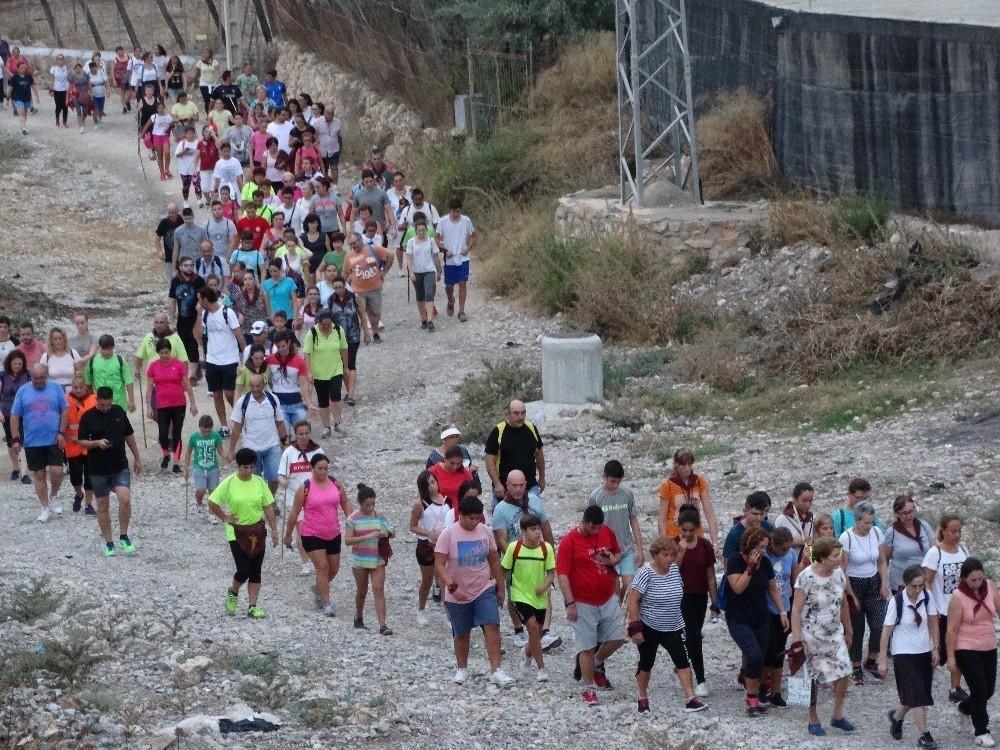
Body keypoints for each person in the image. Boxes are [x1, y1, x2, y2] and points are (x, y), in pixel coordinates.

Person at [434, 494, 514, 687]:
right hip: (457, 593)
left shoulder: (485, 532)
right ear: (461, 515)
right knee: (461, 633)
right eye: (471, 518)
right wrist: (451, 586)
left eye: (478, 518)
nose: (474, 522)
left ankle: (496, 669)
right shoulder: (449, 534)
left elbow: (494, 560)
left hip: (483, 589)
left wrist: (501, 588)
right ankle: (462, 668)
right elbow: (439, 564)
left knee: (492, 625)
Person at [627, 536, 707, 714]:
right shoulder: (645, 573)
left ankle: (690, 698)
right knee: (646, 663)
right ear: (655, 555)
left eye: (672, 555)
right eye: (665, 555)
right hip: (650, 626)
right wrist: (635, 628)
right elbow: (633, 601)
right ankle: (642, 697)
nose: (669, 559)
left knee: (683, 661)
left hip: (674, 625)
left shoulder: (674, 570)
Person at [557, 505, 626, 705]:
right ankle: (588, 688)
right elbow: (562, 574)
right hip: (582, 601)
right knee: (586, 645)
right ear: (585, 522)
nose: (597, 531)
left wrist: (610, 560)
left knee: (619, 636)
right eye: (593, 528)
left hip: (606, 596)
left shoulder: (606, 532)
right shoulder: (570, 541)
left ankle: (596, 663)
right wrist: (570, 603)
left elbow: (617, 556)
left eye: (599, 527)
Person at [791, 536, 856, 737]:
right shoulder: (806, 577)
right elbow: (796, 610)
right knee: (813, 678)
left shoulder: (838, 574)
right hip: (811, 635)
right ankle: (813, 717)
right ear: (821, 557)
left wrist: (849, 628)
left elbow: (843, 602)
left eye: (839, 554)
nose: (839, 559)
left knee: (844, 671)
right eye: (834, 556)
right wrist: (796, 639)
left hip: (834, 633)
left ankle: (837, 715)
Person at [492, 470, 560, 652]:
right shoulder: (500, 510)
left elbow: (545, 526)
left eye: (521, 485)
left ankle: (544, 632)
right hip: (515, 560)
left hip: (538, 556)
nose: (518, 489)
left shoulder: (534, 501)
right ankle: (518, 631)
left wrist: (549, 550)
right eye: (514, 485)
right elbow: (501, 540)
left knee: (544, 591)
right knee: (515, 594)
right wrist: (517, 556)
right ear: (507, 485)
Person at [725, 526, 788, 716]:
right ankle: (751, 697)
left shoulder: (766, 563)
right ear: (750, 546)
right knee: (754, 655)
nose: (763, 551)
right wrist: (750, 568)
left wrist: (783, 612)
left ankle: (754, 695)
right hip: (739, 617)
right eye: (760, 547)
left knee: (761, 657)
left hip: (761, 616)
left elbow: (773, 589)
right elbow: (737, 588)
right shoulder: (736, 561)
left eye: (765, 547)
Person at [209, 447, 278, 618]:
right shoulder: (229, 482)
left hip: (257, 530)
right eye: (245, 467)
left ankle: (252, 606)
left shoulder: (259, 482)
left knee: (256, 570)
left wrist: (274, 529)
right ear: (238, 466)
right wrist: (225, 516)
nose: (248, 471)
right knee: (243, 569)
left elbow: (268, 506)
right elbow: (212, 502)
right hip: (237, 531)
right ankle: (233, 591)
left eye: (251, 467)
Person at [878, 564, 939, 750]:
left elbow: (933, 623)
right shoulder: (896, 602)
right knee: (918, 694)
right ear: (906, 584)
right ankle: (924, 736)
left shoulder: (927, 597)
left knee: (915, 694)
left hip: (923, 651)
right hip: (903, 653)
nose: (918, 589)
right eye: (915, 586)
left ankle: (896, 717)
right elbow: (886, 632)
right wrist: (882, 660)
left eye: (921, 585)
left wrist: (936, 648)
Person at [77, 386, 142, 556]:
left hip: (119, 465)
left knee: (125, 499)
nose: (106, 408)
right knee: (103, 504)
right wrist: (96, 443)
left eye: (108, 404)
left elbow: (129, 436)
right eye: (103, 405)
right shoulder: (88, 417)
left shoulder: (119, 411)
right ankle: (109, 542)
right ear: (97, 400)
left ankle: (124, 535)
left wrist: (137, 457)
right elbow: (81, 442)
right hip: (97, 468)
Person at [284, 453, 351, 616]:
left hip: (333, 532)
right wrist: (288, 535)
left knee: (334, 569)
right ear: (312, 469)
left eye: (325, 468)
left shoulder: (335, 483)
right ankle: (326, 604)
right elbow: (294, 513)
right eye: (319, 469)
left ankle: (320, 588)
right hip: (312, 534)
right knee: (322, 567)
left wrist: (351, 520)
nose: (323, 472)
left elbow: (346, 502)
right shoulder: (305, 487)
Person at [945, 558, 1000, 748]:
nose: (977, 584)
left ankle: (964, 707)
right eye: (972, 580)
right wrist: (951, 657)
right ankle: (981, 731)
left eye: (980, 579)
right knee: (979, 689)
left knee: (989, 689)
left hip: (988, 645)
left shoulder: (990, 587)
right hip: (966, 647)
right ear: (963, 579)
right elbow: (951, 630)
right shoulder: (958, 597)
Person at [500, 513, 556, 682]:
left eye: (538, 529)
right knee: (531, 627)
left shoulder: (546, 548)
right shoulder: (513, 548)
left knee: (537, 633)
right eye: (533, 529)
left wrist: (544, 586)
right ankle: (541, 669)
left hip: (539, 598)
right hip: (519, 594)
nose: (537, 532)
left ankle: (527, 654)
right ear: (524, 531)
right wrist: (497, 588)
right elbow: (504, 570)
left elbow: (551, 573)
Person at [839, 500, 889, 685]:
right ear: (857, 520)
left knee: (879, 624)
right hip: (854, 582)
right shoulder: (846, 538)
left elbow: (882, 561)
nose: (869, 526)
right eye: (865, 522)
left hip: (874, 581)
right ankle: (855, 665)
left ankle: (872, 658)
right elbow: (842, 570)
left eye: (871, 522)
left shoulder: (876, 533)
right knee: (856, 627)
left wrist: (884, 583)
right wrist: (850, 594)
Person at [922, 514, 970, 703]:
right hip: (941, 610)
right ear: (943, 531)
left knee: (959, 650)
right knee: (936, 652)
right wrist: (931, 609)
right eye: (953, 531)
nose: (957, 535)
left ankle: (955, 687)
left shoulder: (964, 551)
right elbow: (927, 582)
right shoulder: (935, 553)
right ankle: (923, 686)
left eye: (959, 531)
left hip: (961, 609)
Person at [10, 364, 68, 521]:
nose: (39, 381)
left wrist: (62, 433)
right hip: (32, 440)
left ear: (47, 375)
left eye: (42, 378)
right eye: (36, 378)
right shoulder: (23, 391)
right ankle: (44, 507)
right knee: (39, 474)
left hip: (53, 438)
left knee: (57, 471)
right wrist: (15, 438)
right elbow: (15, 415)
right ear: (31, 376)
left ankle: (54, 495)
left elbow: (64, 410)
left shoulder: (56, 388)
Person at [674, 503, 718, 696]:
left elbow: (710, 575)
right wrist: (681, 552)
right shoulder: (673, 545)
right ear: (679, 528)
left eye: (692, 530)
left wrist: (715, 601)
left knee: (693, 634)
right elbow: (671, 572)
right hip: (680, 597)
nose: (688, 534)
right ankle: (700, 679)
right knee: (694, 636)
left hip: (700, 596)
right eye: (685, 530)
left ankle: (682, 665)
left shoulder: (705, 546)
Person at [588, 459, 644, 599]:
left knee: (630, 585)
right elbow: (591, 526)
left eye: (618, 482)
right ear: (604, 477)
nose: (615, 485)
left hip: (625, 548)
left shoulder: (627, 494)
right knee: (613, 589)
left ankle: (619, 610)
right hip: (606, 551)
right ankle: (614, 615)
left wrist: (640, 548)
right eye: (612, 481)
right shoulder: (595, 497)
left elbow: (633, 519)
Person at [344, 484, 394, 634]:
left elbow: (392, 531)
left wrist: (387, 533)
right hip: (360, 560)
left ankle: (383, 625)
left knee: (378, 589)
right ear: (360, 503)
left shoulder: (380, 516)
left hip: (377, 558)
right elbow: (347, 540)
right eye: (367, 505)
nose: (371, 508)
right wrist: (365, 537)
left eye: (373, 504)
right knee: (362, 591)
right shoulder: (353, 519)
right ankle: (358, 616)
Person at [196, 287, 246, 434]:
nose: (198, 302)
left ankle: (241, 419)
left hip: (230, 359)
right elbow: (199, 336)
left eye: (200, 299)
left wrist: (246, 356)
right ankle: (224, 426)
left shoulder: (227, 312)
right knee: (216, 394)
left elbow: (239, 335)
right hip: (212, 360)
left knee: (230, 394)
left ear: (205, 299)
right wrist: (199, 315)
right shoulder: (205, 314)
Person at [277, 419, 325, 571]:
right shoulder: (289, 452)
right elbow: (280, 474)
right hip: (295, 496)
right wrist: (283, 481)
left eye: (306, 433)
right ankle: (306, 563)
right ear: (296, 435)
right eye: (300, 434)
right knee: (301, 529)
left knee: (316, 529)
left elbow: (324, 471)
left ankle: (317, 558)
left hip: (315, 496)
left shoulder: (317, 451)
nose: (304, 437)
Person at [229, 373, 286, 494]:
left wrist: (284, 443)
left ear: (264, 385)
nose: (254, 389)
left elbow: (280, 423)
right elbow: (237, 428)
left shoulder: (273, 399)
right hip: (251, 447)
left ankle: (270, 499)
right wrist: (231, 449)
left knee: (274, 478)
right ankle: (260, 501)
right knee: (253, 479)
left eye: (257, 386)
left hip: (272, 445)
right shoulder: (242, 402)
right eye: (252, 386)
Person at [146, 338, 197, 472]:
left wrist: (193, 402)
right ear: (158, 353)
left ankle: (176, 463)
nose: (164, 355)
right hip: (162, 404)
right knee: (163, 433)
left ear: (170, 351)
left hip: (179, 403)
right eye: (162, 353)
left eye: (166, 352)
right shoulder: (153, 366)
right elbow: (150, 388)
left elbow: (186, 383)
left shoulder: (179, 365)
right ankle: (166, 454)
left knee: (176, 432)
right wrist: (148, 406)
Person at [762, 527, 799, 706]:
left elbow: (795, 578)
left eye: (788, 548)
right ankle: (762, 686)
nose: (786, 552)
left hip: (785, 607)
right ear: (773, 544)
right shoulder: (765, 556)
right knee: (769, 650)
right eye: (783, 548)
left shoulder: (791, 554)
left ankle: (775, 691)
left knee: (779, 651)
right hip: (768, 609)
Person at [484, 399, 544, 508]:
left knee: (533, 519)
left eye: (523, 413)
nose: (520, 417)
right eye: (516, 413)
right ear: (508, 414)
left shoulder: (531, 428)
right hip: (505, 490)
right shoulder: (498, 431)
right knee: (502, 522)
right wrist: (497, 484)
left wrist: (542, 478)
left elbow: (539, 455)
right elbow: (489, 461)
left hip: (529, 486)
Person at [409, 470, 451, 624]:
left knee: (444, 579)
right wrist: (428, 533)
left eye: (433, 482)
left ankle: (448, 613)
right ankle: (421, 609)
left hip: (443, 544)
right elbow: (412, 526)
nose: (432, 487)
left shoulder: (447, 499)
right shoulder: (419, 504)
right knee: (426, 580)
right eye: (428, 485)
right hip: (426, 546)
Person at [302, 310, 348, 438]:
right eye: (324, 325)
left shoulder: (338, 330)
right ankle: (326, 427)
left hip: (336, 369)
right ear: (319, 322)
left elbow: (344, 348)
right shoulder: (313, 333)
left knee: (336, 394)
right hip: (319, 372)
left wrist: (346, 367)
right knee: (322, 400)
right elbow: (307, 353)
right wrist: (309, 372)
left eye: (329, 324)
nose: (326, 327)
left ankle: (338, 423)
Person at [658, 449, 719, 545]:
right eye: (683, 465)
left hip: (696, 535)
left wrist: (714, 542)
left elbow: (710, 514)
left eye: (689, 464)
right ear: (676, 465)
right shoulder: (668, 485)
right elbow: (662, 519)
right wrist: (664, 545)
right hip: (674, 536)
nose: (687, 468)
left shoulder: (699, 482)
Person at [342, 232, 392, 343]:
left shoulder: (373, 249)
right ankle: (364, 335)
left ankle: (375, 333)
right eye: (351, 244)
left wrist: (384, 271)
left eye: (355, 242)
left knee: (375, 312)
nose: (353, 246)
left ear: (360, 239)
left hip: (375, 288)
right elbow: (345, 273)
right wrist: (343, 288)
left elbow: (390, 256)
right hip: (358, 290)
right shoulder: (348, 256)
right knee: (360, 313)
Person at [435, 197, 476, 321]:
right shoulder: (443, 222)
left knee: (463, 283)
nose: (456, 214)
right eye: (454, 211)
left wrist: (468, 248)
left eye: (458, 211)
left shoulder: (466, 221)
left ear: (461, 210)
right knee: (449, 286)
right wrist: (445, 250)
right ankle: (451, 300)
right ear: (450, 210)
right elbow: (436, 239)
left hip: (463, 258)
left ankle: (461, 311)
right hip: (450, 259)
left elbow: (474, 236)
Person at [882, 494, 934, 593]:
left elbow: (934, 552)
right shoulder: (891, 532)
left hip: (923, 582)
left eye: (911, 511)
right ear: (897, 514)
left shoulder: (924, 526)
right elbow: (884, 560)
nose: (909, 516)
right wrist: (884, 584)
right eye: (904, 513)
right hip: (901, 584)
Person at [169, 256, 206, 382]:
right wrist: (172, 320)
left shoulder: (199, 280)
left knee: (193, 345)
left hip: (195, 319)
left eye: (191, 265)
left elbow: (204, 297)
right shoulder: (176, 281)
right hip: (182, 318)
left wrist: (199, 304)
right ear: (180, 267)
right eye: (186, 265)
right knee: (183, 346)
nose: (189, 268)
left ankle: (192, 375)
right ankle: (186, 373)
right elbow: (172, 301)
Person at [64, 375, 95, 514]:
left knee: (90, 476)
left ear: (86, 387)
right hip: (72, 445)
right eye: (75, 387)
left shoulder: (93, 400)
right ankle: (79, 494)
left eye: (80, 387)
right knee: (75, 477)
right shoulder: (66, 401)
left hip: (89, 445)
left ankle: (88, 504)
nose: (78, 390)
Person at [328, 276, 361, 405]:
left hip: (353, 335)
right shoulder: (331, 300)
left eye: (340, 287)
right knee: (342, 366)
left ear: (344, 286)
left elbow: (361, 314)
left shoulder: (353, 297)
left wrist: (366, 333)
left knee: (351, 363)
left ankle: (351, 394)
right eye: (335, 288)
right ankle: (349, 391)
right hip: (338, 338)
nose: (338, 290)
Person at [405, 217, 442, 330]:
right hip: (417, 272)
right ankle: (423, 318)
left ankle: (430, 319)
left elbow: (436, 257)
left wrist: (439, 270)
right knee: (420, 296)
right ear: (416, 230)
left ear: (426, 230)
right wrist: (411, 271)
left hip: (429, 271)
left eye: (423, 230)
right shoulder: (411, 242)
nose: (421, 232)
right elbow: (409, 258)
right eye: (419, 230)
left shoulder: (431, 241)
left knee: (429, 294)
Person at [184, 414, 225, 518]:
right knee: (201, 489)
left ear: (212, 428)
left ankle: (212, 513)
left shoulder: (216, 436)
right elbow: (188, 452)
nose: (206, 433)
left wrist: (228, 456)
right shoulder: (194, 437)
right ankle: (199, 502)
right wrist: (185, 468)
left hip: (213, 468)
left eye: (208, 431)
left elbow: (220, 451)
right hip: (199, 467)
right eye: (203, 431)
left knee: (213, 491)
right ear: (199, 427)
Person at [84, 335, 134, 413]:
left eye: (109, 349)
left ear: (113, 347)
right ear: (99, 347)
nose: (106, 352)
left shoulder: (120, 361)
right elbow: (88, 383)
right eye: (103, 349)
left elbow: (129, 382)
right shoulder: (93, 361)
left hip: (118, 405)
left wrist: (131, 401)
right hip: (99, 406)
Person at [1, 350, 29, 483]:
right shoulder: (2, 376)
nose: (17, 366)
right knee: (11, 439)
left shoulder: (27, 376)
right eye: (15, 364)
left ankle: (24, 473)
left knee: (23, 439)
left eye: (19, 363)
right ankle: (15, 468)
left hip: (24, 413)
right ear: (9, 364)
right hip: (7, 412)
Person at [722, 491, 772, 566]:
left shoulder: (767, 526)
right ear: (745, 511)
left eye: (761, 514)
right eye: (755, 514)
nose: (759, 518)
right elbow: (728, 563)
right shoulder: (735, 533)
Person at [775, 482, 815, 560]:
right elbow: (778, 543)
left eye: (810, 501)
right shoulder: (782, 520)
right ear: (794, 498)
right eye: (804, 501)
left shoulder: (812, 518)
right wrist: (801, 541)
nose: (808, 505)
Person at [140, 99, 174, 180]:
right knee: (160, 155)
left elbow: (172, 126)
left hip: (165, 136)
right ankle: (162, 173)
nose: (161, 109)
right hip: (156, 137)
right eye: (159, 108)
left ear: (164, 108)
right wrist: (142, 134)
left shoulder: (168, 117)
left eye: (162, 108)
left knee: (167, 152)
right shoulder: (154, 117)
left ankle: (167, 169)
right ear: (157, 109)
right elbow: (147, 125)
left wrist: (170, 131)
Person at [40, 327, 82, 391]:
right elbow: (42, 376)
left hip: (71, 391)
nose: (58, 341)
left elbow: (79, 374)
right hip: (53, 390)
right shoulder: (46, 357)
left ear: (64, 339)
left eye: (60, 338)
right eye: (55, 339)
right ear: (51, 341)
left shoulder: (73, 354)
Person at [155, 203, 185, 285]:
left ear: (177, 212)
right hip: (168, 258)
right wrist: (160, 251)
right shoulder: (164, 223)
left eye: (173, 212)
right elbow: (157, 239)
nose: (171, 215)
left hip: (181, 257)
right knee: (172, 282)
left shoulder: (182, 221)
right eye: (169, 212)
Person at [313, 103, 342, 183]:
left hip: (334, 149)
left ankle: (335, 186)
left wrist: (340, 149)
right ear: (324, 112)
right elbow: (314, 134)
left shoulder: (337, 122)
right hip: (322, 150)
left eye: (331, 114)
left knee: (334, 168)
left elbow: (339, 136)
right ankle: (325, 185)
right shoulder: (318, 122)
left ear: (333, 114)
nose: (329, 115)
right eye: (327, 113)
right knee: (324, 169)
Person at [175, 127, 203, 208]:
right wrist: (183, 152)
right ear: (186, 135)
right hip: (184, 170)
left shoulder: (198, 143)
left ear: (194, 134)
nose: (190, 135)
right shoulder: (182, 143)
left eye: (192, 133)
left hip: (195, 168)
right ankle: (185, 201)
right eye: (188, 133)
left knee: (197, 184)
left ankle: (199, 200)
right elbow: (177, 155)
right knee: (186, 186)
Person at [8, 60, 38, 135]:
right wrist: (8, 97)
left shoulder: (29, 77)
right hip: (18, 98)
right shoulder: (14, 78)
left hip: (27, 98)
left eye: (24, 67)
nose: (23, 69)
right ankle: (24, 128)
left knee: (25, 113)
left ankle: (23, 126)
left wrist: (37, 96)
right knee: (21, 113)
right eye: (21, 68)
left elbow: (33, 86)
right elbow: (10, 88)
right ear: (18, 68)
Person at [49, 54, 70, 128]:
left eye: (61, 59)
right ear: (57, 60)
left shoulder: (67, 68)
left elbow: (69, 80)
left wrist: (69, 90)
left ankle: (64, 122)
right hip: (57, 90)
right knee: (58, 106)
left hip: (65, 90)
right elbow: (51, 79)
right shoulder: (53, 69)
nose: (60, 60)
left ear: (63, 60)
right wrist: (51, 90)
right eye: (59, 59)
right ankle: (57, 119)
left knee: (65, 106)